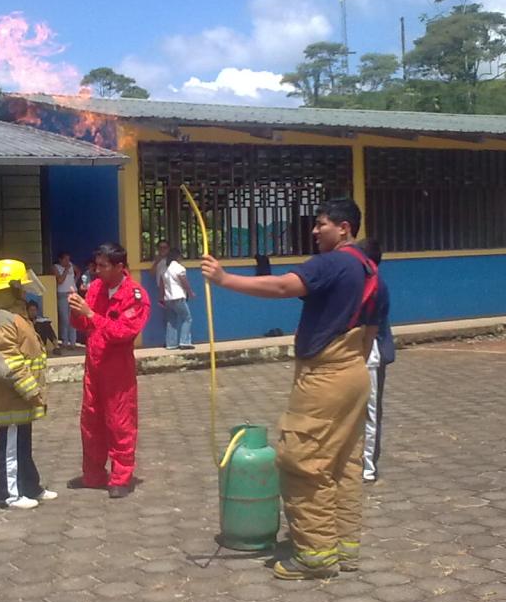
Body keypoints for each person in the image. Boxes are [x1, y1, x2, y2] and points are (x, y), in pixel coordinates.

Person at [201, 199, 380, 580]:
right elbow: (371, 334)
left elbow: (284, 285)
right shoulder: (370, 271)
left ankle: (315, 556)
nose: (315, 231)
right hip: (354, 374)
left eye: (322, 224)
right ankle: (343, 548)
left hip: (326, 377)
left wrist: (224, 279)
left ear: (344, 228)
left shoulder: (333, 262)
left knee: (302, 462)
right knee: (342, 465)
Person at [68, 242, 151, 499]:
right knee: (91, 421)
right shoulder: (95, 288)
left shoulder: (135, 295)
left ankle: (120, 477)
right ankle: (93, 474)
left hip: (117, 370)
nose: (97, 271)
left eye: (103, 266)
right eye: (97, 265)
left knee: (120, 422)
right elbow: (82, 324)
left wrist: (91, 314)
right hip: (94, 366)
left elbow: (123, 332)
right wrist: (77, 307)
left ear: (119, 266)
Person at [0, 258, 57, 510]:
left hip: (19, 399)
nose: (24, 291)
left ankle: (31, 486)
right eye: (20, 287)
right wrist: (32, 390)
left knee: (22, 445)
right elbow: (7, 364)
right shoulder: (2, 320)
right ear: (10, 289)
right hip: (11, 398)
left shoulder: (14, 317)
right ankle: (11, 495)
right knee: (11, 447)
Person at [357, 238, 394, 483]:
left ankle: (367, 467)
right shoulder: (360, 283)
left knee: (369, 413)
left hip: (371, 356)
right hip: (357, 355)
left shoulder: (374, 285)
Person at [159, 248, 195, 350]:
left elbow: (162, 285)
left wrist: (161, 298)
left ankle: (171, 343)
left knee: (171, 320)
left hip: (168, 298)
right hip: (178, 297)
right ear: (178, 257)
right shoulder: (178, 267)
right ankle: (184, 342)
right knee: (187, 318)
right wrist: (190, 292)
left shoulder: (164, 269)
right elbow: (183, 280)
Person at [54, 251, 79, 349]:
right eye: (65, 259)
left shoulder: (71, 265)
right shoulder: (56, 267)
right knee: (65, 319)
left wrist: (75, 281)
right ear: (60, 259)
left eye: (69, 259)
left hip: (73, 293)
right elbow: (60, 280)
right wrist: (65, 270)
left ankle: (73, 342)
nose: (68, 261)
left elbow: (78, 271)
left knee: (73, 318)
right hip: (62, 294)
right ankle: (65, 341)